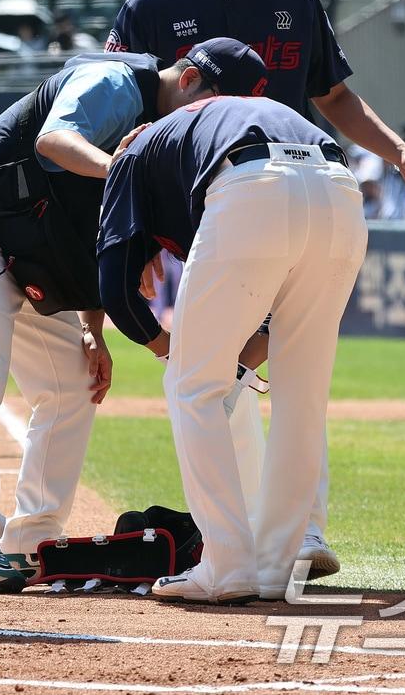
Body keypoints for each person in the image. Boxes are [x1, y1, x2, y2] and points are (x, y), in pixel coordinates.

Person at [105, 0, 405, 580]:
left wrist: (399, 153)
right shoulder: (151, 8)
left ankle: (294, 536)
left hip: (287, 192)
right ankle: (256, 538)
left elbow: (335, 95)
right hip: (202, 212)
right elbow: (127, 116)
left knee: (279, 374)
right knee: (227, 378)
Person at [0, 46, 216, 590]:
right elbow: (52, 142)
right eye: (212, 101)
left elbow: (93, 237)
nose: (209, 118)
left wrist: (92, 330)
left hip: (30, 255)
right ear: (190, 79)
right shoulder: (117, 81)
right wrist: (120, 169)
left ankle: (31, 537)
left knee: (75, 385)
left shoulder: (162, 133)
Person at [98, 38, 367, 602]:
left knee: (194, 386)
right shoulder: (223, 119)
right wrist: (250, 339)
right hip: (342, 190)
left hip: (252, 186)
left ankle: (226, 564)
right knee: (301, 394)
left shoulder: (131, 151)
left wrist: (170, 346)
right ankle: (273, 568)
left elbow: (114, 286)